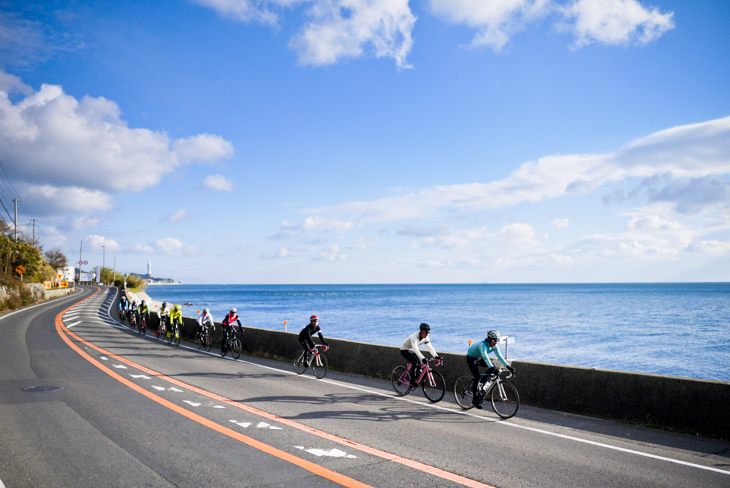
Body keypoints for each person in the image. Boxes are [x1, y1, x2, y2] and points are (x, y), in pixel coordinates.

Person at [466, 330, 515, 409]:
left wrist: (508, 367)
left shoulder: (495, 346)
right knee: (477, 377)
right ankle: (475, 399)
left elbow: (500, 357)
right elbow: (485, 357)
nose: (496, 342)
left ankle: (482, 383)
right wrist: (491, 367)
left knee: (493, 368)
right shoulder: (483, 345)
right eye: (494, 340)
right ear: (489, 339)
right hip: (471, 358)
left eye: (497, 340)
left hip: (479, 357)